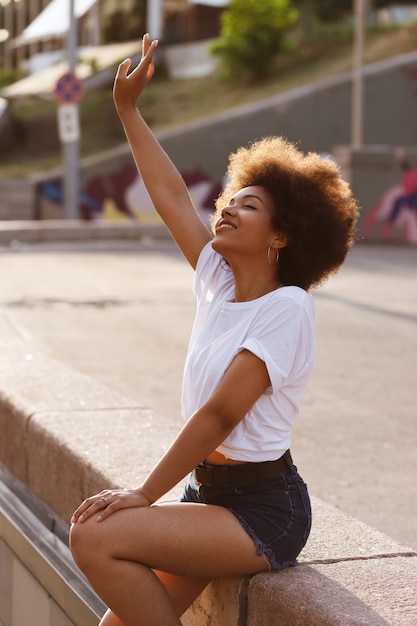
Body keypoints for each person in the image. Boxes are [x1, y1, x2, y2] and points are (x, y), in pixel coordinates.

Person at [70, 34, 359, 626]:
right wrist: (128, 109)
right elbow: (172, 195)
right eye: (230, 198)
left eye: (247, 206)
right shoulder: (219, 284)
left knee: (95, 535)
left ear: (282, 236)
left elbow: (221, 416)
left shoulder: (287, 307)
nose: (225, 208)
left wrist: (143, 495)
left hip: (263, 508)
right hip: (211, 496)